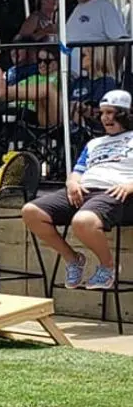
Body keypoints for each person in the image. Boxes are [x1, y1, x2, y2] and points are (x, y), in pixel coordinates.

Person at [22, 90, 133, 291]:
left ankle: (107, 266)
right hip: (84, 189)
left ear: (124, 114)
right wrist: (72, 183)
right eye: (102, 113)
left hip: (115, 191)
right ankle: (72, 259)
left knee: (83, 222)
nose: (105, 118)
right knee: (31, 212)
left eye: (110, 112)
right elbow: (77, 171)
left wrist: (130, 185)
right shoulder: (94, 143)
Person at [66, 0, 127, 75]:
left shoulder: (104, 6)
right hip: (74, 80)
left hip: (95, 81)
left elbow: (121, 43)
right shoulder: (77, 9)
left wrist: (108, 73)